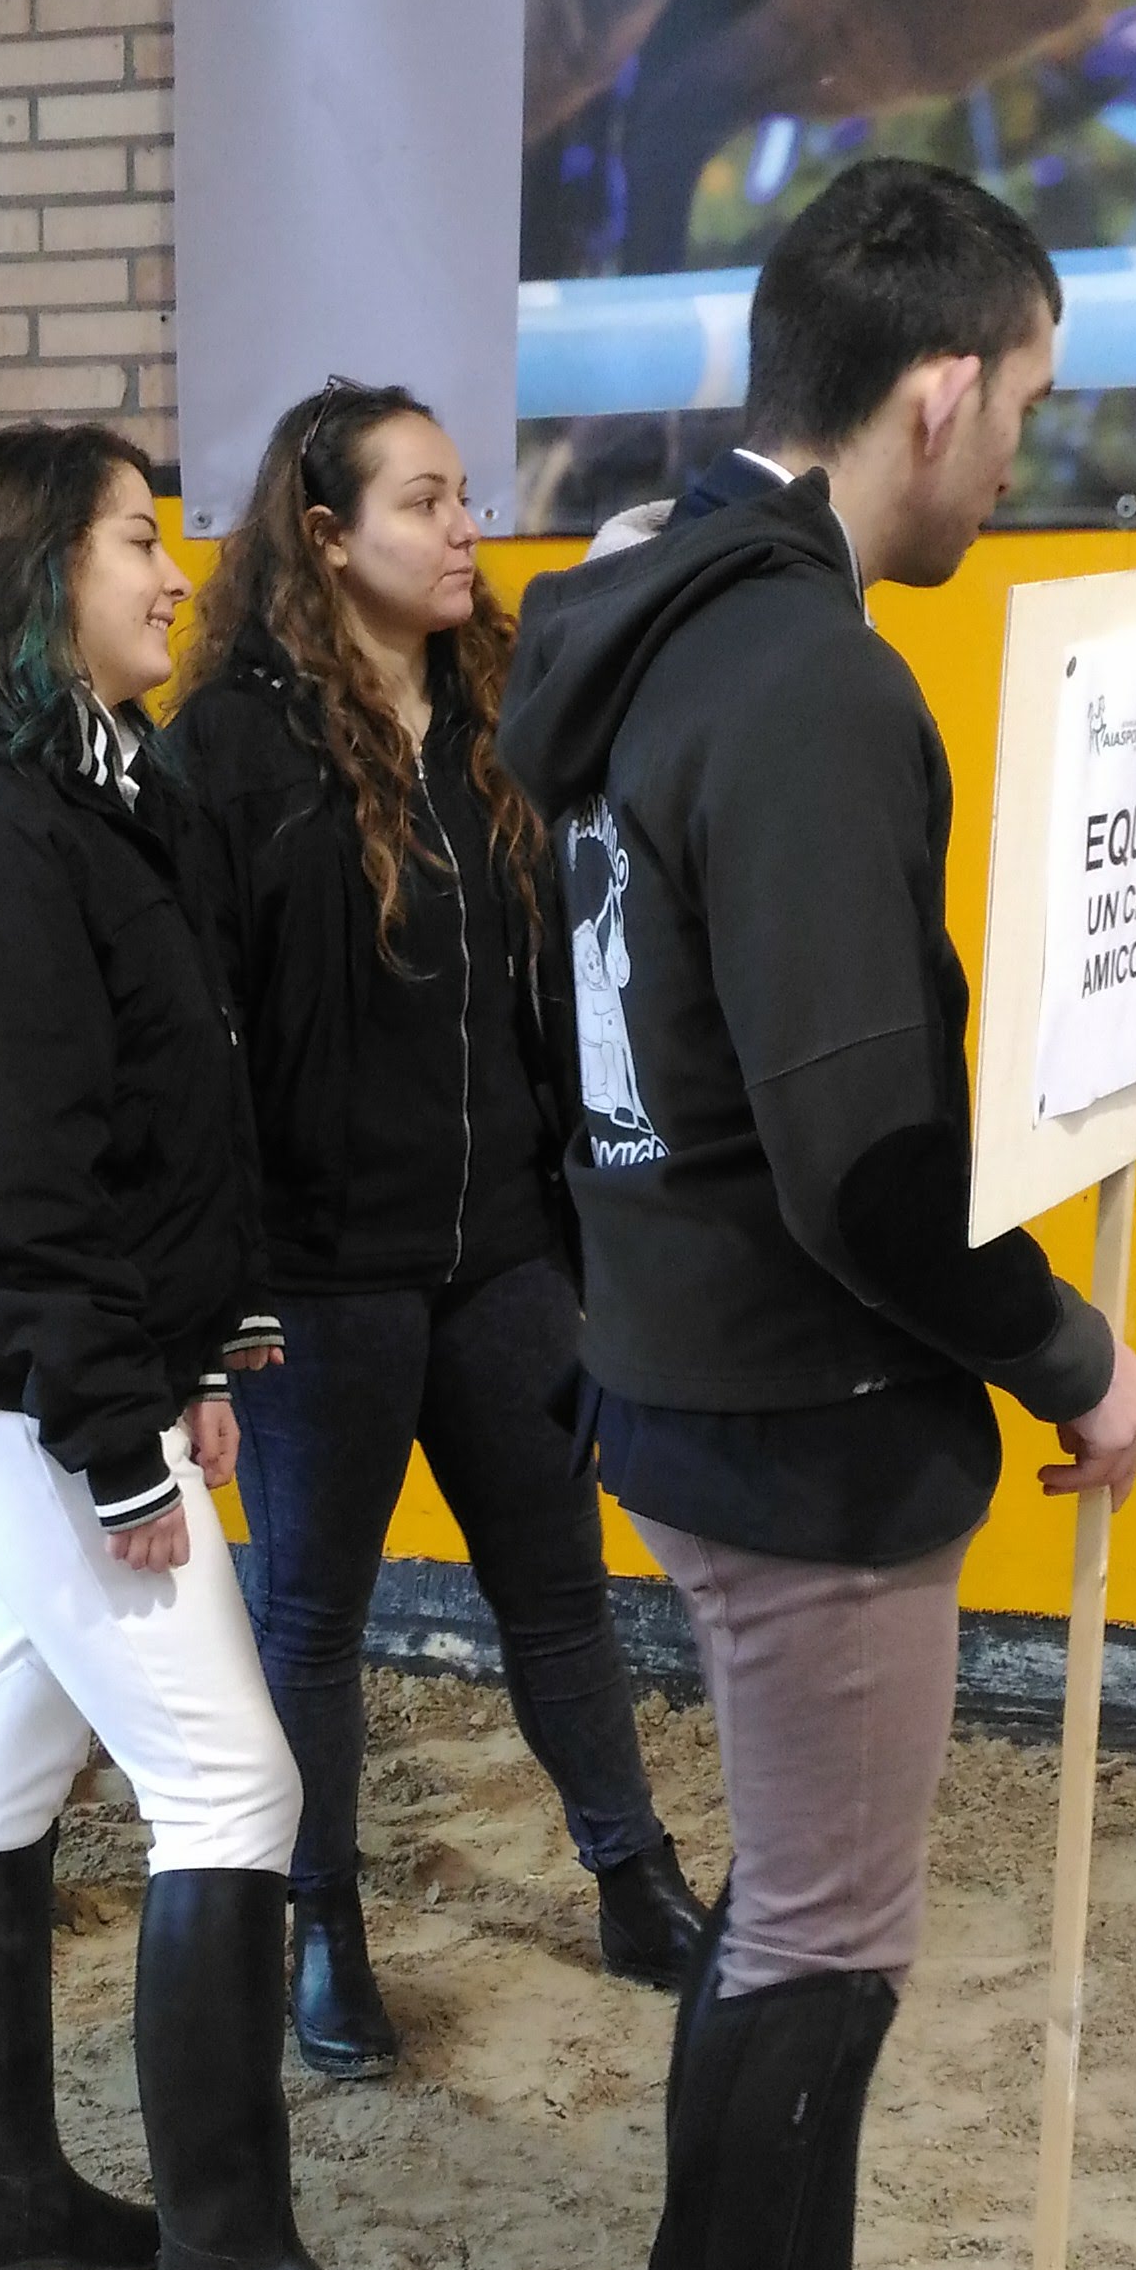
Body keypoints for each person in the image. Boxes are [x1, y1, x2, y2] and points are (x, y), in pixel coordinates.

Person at [501, 161, 1136, 2270]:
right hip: (798, 1403)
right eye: (1029, 411)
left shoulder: (649, 624)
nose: (1019, 461)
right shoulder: (802, 681)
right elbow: (871, 1162)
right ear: (938, 390)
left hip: (685, 1368)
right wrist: (1074, 1354)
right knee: (826, 1939)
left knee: (789, 1909)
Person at [0, 420, 460, 2270]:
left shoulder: (96, 779)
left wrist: (198, 1351)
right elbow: (8, 1193)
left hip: (58, 1380)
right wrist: (111, 1440)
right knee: (235, 1785)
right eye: (136, 542)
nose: (177, 575)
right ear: (37, 578)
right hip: (12, 1394)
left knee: (5, 1762)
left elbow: (167, 1103)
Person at [164, 381, 707, 2080]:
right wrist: (225, 1297)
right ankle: (324, 1926)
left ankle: (634, 1879)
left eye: (466, 495)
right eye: (424, 501)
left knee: (558, 1588)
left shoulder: (504, 706)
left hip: (506, 1253)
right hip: (318, 1279)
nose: (467, 528)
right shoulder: (231, 750)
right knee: (312, 1619)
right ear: (325, 536)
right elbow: (194, 1041)